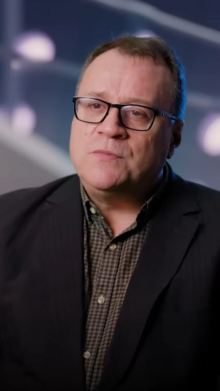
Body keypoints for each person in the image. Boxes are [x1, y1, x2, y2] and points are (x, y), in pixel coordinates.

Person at [0, 35, 220, 391]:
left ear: (175, 137)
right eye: (93, 105)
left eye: (137, 112)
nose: (110, 127)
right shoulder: (5, 222)